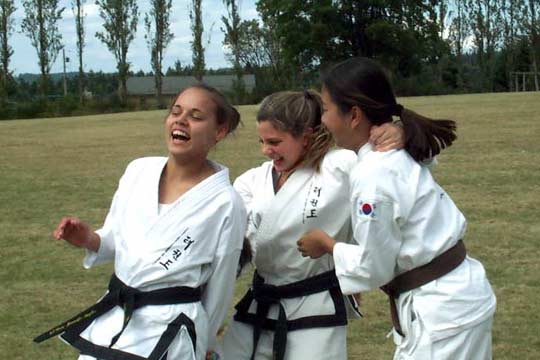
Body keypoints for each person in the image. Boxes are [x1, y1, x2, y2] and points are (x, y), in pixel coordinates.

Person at [297, 57, 496, 359]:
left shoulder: (374, 171)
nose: (322, 119)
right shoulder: (393, 150)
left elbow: (373, 266)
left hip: (442, 314)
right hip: (457, 300)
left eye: (325, 109)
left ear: (354, 115)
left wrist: (327, 245)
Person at [34, 84, 247, 360]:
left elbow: (221, 285)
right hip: (116, 315)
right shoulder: (138, 171)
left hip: (171, 327)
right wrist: (88, 239)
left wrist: (204, 342)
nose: (180, 120)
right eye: (176, 112)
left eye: (195, 116)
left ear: (219, 131)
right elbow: (114, 241)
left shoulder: (226, 202)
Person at [220, 90, 406, 360]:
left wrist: (400, 133)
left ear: (306, 136)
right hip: (260, 303)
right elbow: (237, 242)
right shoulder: (252, 181)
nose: (265, 150)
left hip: (315, 306)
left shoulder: (340, 166)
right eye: (262, 141)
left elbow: (394, 171)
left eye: (274, 141)